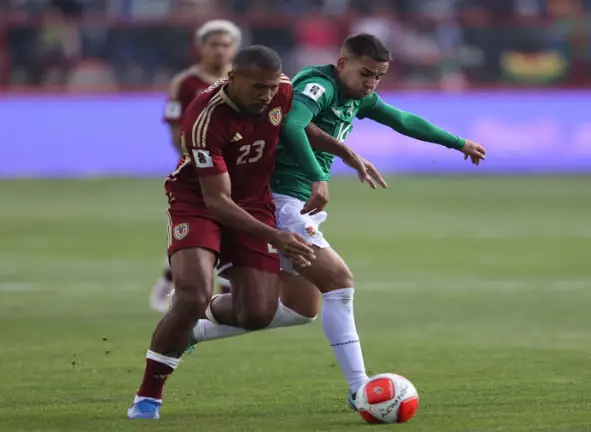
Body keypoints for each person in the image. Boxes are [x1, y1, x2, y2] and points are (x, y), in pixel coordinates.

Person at [187, 33, 487, 409]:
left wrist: (458, 143)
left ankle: (191, 328)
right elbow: (293, 125)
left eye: (378, 76)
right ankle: (359, 388)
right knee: (339, 283)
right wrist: (319, 175)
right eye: (366, 74)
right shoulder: (319, 86)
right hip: (279, 200)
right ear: (342, 63)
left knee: (300, 309)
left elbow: (402, 119)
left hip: (290, 203)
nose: (371, 83)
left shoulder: (355, 97)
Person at [127, 45, 371, 420]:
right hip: (199, 201)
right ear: (232, 79)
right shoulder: (205, 118)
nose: (267, 95)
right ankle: (148, 396)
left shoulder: (282, 90)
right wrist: (276, 236)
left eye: (272, 87)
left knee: (257, 313)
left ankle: (190, 319)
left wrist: (344, 152)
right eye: (258, 87)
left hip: (254, 202)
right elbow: (218, 201)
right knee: (193, 294)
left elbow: (299, 126)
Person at [150, 20, 242, 312]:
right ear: (201, 47)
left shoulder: (245, 79)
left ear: (234, 48)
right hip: (198, 170)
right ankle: (170, 278)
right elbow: (175, 128)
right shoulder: (186, 83)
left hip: (238, 168)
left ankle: (228, 293)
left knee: (233, 227)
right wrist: (197, 160)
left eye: (225, 44)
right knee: (198, 231)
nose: (220, 50)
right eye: (214, 44)